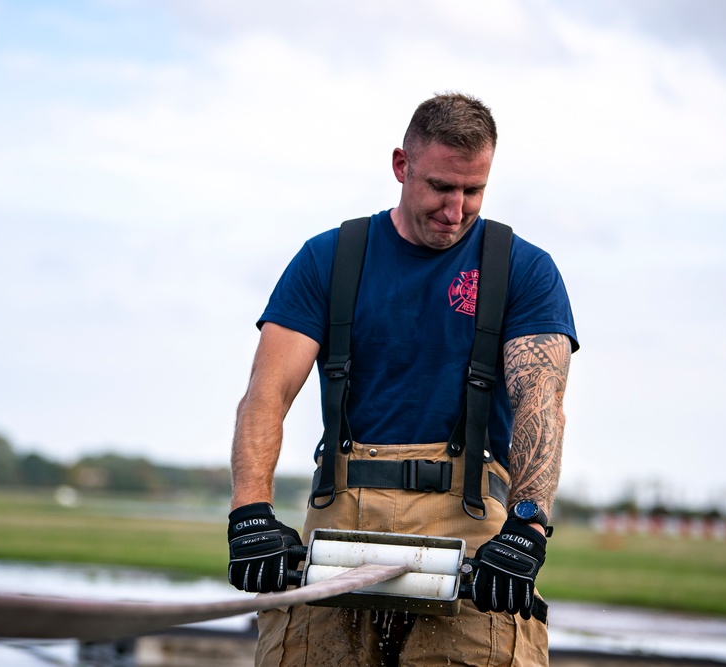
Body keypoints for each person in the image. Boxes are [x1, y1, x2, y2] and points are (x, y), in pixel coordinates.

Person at [227, 92, 578, 666]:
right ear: (401, 166)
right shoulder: (328, 259)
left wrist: (528, 528)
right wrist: (250, 513)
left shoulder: (524, 269)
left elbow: (541, 402)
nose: (456, 208)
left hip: (473, 527)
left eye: (474, 191)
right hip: (341, 512)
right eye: (441, 187)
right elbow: (265, 397)